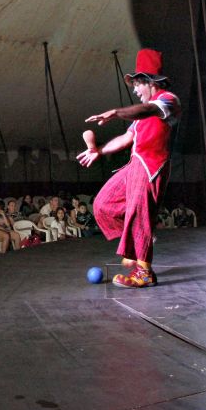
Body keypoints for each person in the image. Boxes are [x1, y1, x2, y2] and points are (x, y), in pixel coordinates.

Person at [77, 48, 180, 288]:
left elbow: (149, 109)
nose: (135, 90)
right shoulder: (137, 117)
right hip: (134, 165)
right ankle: (140, 239)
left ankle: (144, 272)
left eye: (137, 84)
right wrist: (98, 151)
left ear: (149, 82)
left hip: (151, 166)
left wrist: (117, 112)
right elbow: (125, 139)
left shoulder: (168, 100)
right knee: (102, 204)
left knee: (138, 212)